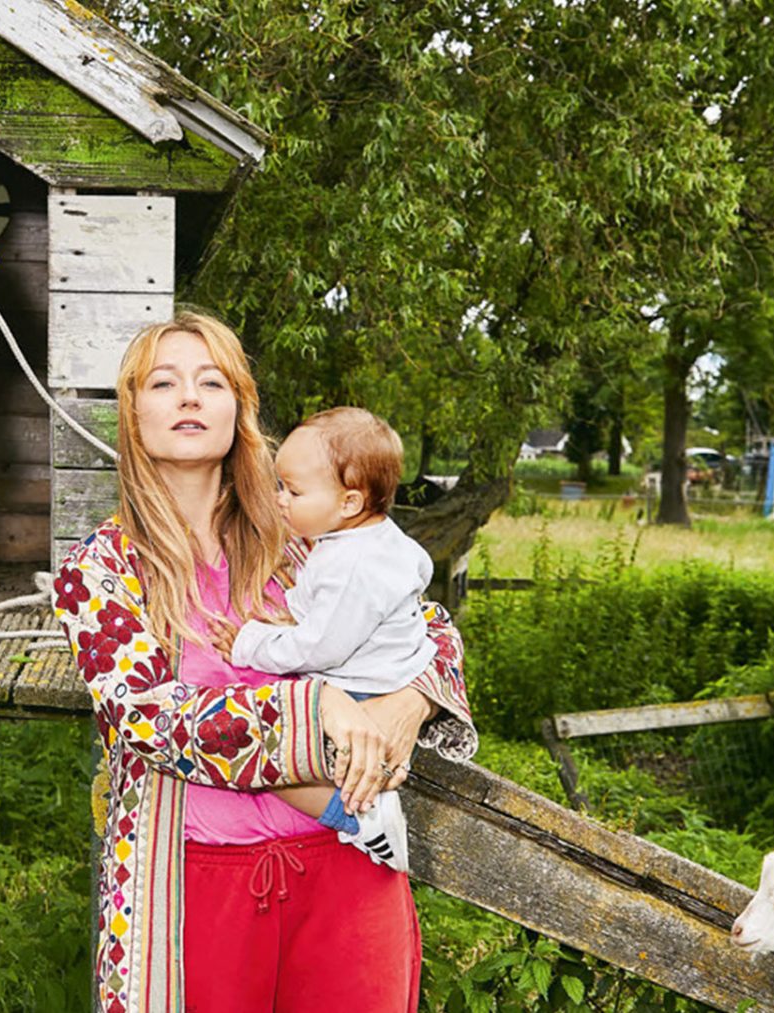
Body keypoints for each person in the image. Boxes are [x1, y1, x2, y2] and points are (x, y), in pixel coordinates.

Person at [52, 312, 480, 1012]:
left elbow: (428, 625)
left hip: (349, 868)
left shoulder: (305, 537)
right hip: (196, 883)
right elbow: (151, 719)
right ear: (133, 414)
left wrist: (409, 703)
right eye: (164, 382)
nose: (189, 397)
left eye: (210, 381)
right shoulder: (99, 571)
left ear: (238, 408)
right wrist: (319, 710)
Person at [213, 406, 438, 873]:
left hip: (362, 688)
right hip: (384, 673)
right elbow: (320, 609)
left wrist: (248, 641)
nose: (280, 499)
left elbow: (320, 647)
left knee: (265, 750)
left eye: (293, 491)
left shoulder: (350, 565)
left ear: (349, 503)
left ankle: (359, 817)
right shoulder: (366, 542)